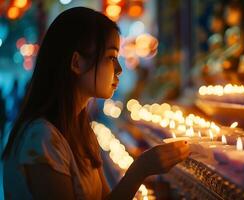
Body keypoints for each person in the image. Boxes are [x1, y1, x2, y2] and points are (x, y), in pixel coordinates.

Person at [2, 7, 189, 200]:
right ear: (76, 63)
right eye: (110, 57)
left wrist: (142, 170)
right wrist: (139, 170)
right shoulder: (42, 138)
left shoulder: (80, 130)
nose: (118, 70)